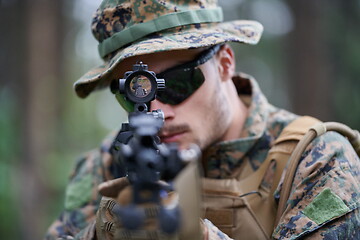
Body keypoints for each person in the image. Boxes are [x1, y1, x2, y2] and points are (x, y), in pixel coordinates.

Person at [45, 0, 360, 239]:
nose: (157, 111)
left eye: (178, 83)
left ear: (225, 63)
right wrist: (102, 232)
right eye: (133, 91)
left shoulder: (316, 160)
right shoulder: (108, 162)